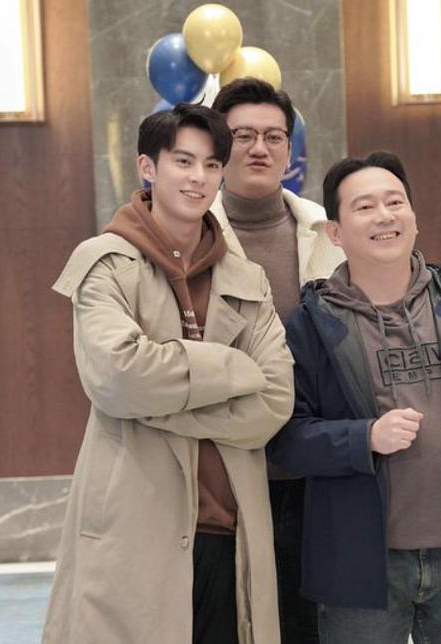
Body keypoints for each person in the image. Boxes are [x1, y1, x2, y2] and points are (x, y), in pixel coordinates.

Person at [41, 103, 294, 644]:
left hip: (231, 532)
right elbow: (119, 378)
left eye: (211, 164)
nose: (198, 177)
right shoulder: (105, 263)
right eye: (183, 161)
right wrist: (231, 366)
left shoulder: (246, 277)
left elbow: (273, 402)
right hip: (134, 531)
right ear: (147, 167)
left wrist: (157, 406)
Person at [267, 151, 441, 644]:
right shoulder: (312, 324)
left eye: (395, 202)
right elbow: (285, 439)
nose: (384, 216)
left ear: (413, 218)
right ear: (335, 233)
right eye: (365, 206)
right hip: (359, 565)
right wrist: (365, 437)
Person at [209, 77, 344, 643]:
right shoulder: (190, 233)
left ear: (290, 149)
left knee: (314, 625)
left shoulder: (328, 229)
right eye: (242, 136)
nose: (259, 148)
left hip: (317, 471)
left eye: (273, 136)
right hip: (225, 472)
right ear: (218, 147)